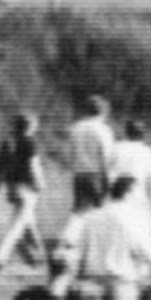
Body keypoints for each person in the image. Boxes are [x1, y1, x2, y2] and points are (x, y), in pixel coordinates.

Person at [0, 111, 46, 269]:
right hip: (27, 189)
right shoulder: (29, 143)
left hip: (12, 188)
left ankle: (39, 257)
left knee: (29, 224)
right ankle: (0, 256)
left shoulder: (10, 143)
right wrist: (40, 183)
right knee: (18, 225)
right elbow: (34, 165)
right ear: (30, 126)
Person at [63, 94, 117, 223]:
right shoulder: (103, 130)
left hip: (79, 174)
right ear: (103, 111)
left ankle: (68, 239)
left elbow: (70, 153)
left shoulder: (76, 127)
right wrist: (109, 179)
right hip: (96, 175)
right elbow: (106, 156)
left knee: (78, 211)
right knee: (101, 209)